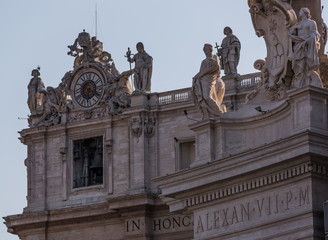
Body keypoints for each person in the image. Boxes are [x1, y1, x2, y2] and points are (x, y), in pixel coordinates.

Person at [288, 7, 322, 88]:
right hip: (298, 45)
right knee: (299, 64)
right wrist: (294, 28)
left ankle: (306, 82)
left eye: (300, 11)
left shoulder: (311, 23)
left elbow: (315, 34)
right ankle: (300, 83)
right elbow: (290, 33)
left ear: (305, 13)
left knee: (306, 64)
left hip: (307, 45)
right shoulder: (298, 24)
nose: (299, 12)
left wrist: (310, 40)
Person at [192, 44, 226, 119]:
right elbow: (201, 71)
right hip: (203, 80)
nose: (205, 52)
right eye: (204, 50)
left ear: (210, 50)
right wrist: (195, 77)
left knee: (207, 97)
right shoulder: (203, 61)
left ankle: (219, 112)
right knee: (205, 97)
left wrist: (202, 74)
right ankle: (209, 113)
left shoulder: (215, 57)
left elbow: (216, 67)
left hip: (210, 80)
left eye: (206, 50)